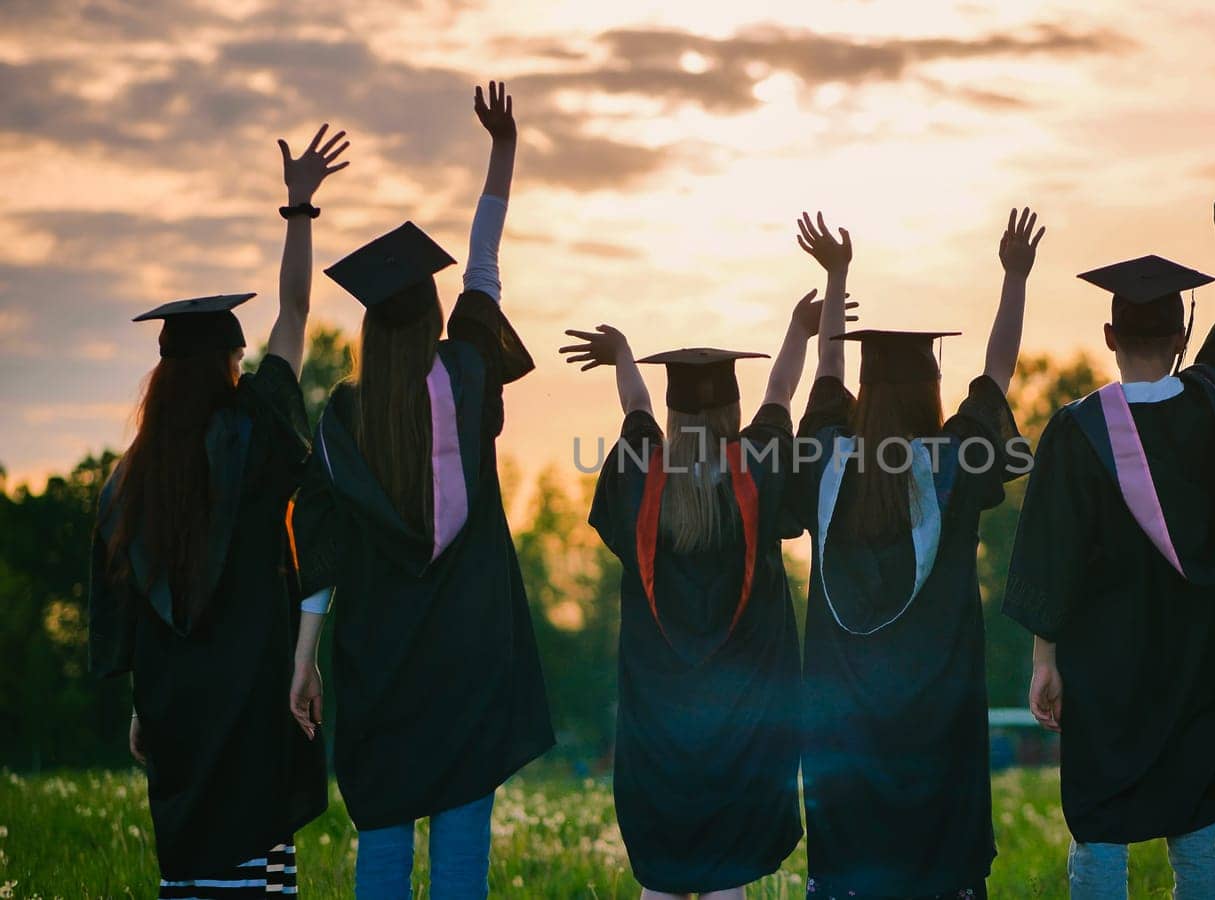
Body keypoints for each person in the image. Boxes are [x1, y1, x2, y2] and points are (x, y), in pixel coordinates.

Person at [288, 82, 555, 899]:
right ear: (437, 316)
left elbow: (322, 557)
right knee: (464, 855)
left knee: (382, 850)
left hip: (380, 664)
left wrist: (305, 663)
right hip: (468, 660)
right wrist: (502, 152)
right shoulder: (469, 375)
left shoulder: (342, 422)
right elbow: (483, 266)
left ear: (369, 327)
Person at [88, 124, 348, 898]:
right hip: (251, 690)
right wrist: (299, 211)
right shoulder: (255, 431)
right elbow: (296, 317)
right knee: (253, 865)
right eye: (237, 360)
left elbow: (131, 613)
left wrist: (143, 709)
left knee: (192, 872)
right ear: (227, 365)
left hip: (175, 705)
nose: (244, 367)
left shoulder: (127, 482)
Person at [1003, 179, 1215, 899]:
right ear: (1184, 336)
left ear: (1110, 337)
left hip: (1107, 664)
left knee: (1099, 828)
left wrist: (1044, 660)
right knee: (1195, 829)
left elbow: (1051, 556)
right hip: (1200, 660)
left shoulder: (1077, 431)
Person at [561, 290, 856, 899]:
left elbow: (636, 408)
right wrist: (800, 331)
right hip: (743, 728)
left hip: (659, 730)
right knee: (729, 880)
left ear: (674, 418)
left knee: (662, 879)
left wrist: (622, 355)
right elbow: (780, 397)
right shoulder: (757, 465)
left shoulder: (640, 470)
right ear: (732, 410)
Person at [788, 209, 1040, 899]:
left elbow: (828, 370)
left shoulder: (826, 462)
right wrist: (1013, 278)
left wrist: (837, 277)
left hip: (844, 725)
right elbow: (996, 376)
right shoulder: (954, 463)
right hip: (938, 723)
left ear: (867, 395)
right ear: (931, 390)